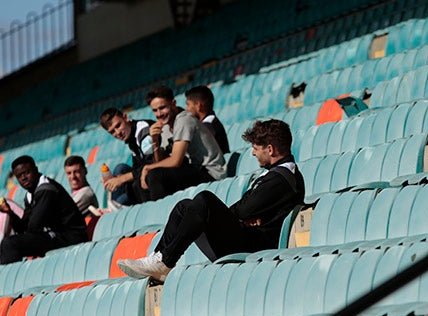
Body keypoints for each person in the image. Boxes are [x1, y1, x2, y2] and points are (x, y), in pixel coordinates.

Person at [119, 119, 304, 281]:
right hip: (248, 237)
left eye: (255, 148)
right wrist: (242, 217)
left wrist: (239, 217)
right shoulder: (275, 175)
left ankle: (166, 261)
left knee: (204, 200)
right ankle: (159, 257)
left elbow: (244, 210)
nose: (253, 153)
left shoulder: (282, 177)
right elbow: (247, 209)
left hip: (256, 246)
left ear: (270, 149)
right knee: (184, 206)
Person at [0, 155, 87, 269]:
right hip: (57, 235)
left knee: (11, 243)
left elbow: (34, 227)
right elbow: (25, 228)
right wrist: (11, 214)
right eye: (19, 176)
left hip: (70, 237)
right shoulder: (30, 193)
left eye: (27, 173)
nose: (23, 178)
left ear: (35, 170)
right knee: (10, 242)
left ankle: (10, 282)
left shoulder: (46, 189)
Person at [141, 85, 226, 201]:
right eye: (155, 110)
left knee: (155, 175)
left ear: (173, 103)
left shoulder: (184, 119)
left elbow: (176, 161)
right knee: (142, 181)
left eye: (162, 108)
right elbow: (161, 163)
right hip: (192, 169)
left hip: (211, 173)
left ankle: (160, 213)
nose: (159, 114)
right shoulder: (165, 127)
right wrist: (155, 141)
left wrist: (148, 167)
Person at [98, 107, 156, 205]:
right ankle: (114, 204)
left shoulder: (142, 129)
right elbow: (137, 166)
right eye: (112, 132)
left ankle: (115, 206)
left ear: (125, 117)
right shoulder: (130, 137)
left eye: (118, 125)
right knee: (120, 169)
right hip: (145, 177)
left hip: (159, 174)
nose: (118, 133)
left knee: (122, 174)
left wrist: (122, 179)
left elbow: (151, 163)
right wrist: (114, 181)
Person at [185, 85, 229, 153]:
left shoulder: (208, 126)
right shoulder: (207, 123)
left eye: (188, 105)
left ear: (198, 106)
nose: (186, 109)